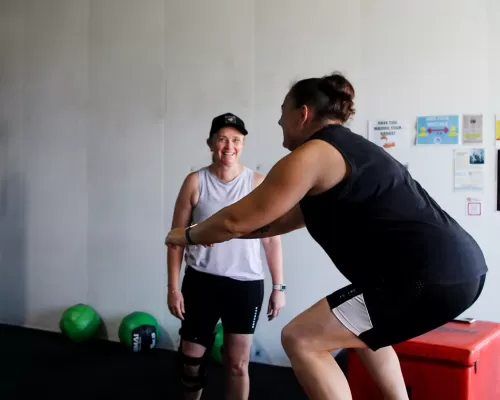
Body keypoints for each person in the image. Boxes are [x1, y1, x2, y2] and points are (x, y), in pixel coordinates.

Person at [165, 73, 488, 400]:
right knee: (365, 337)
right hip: (462, 271)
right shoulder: (351, 150)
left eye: (283, 110)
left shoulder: (313, 155)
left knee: (300, 338)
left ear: (302, 114)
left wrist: (185, 236)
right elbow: (269, 224)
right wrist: (216, 236)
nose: (279, 120)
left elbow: (235, 219)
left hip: (424, 277)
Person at [167, 112, 286, 400]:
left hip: (244, 286)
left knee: (237, 365)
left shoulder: (257, 184)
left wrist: (278, 287)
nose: (229, 146)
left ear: (243, 144)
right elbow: (176, 239)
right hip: (201, 283)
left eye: (236, 140)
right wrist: (173, 288)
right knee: (191, 362)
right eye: (222, 139)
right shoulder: (195, 182)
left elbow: (271, 240)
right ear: (210, 143)